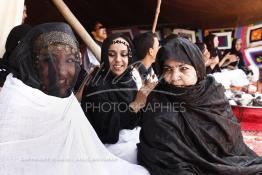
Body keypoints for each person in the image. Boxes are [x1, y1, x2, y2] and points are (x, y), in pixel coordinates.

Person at [0, 22, 149, 175]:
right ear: (32, 61)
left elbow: (84, 145)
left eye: (69, 60)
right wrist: (136, 105)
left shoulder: (66, 97)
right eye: (49, 60)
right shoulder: (17, 96)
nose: (61, 70)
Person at [137, 37, 262, 175]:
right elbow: (162, 153)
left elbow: (232, 140)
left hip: (226, 160)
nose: (174, 77)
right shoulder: (158, 99)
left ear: (197, 68)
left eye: (183, 68)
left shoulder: (213, 92)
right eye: (168, 69)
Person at [81, 33, 155, 164]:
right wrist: (136, 104)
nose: (118, 60)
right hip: (108, 152)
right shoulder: (96, 86)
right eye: (111, 54)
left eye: (124, 54)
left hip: (134, 142)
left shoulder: (130, 80)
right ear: (104, 55)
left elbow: (136, 120)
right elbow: (105, 130)